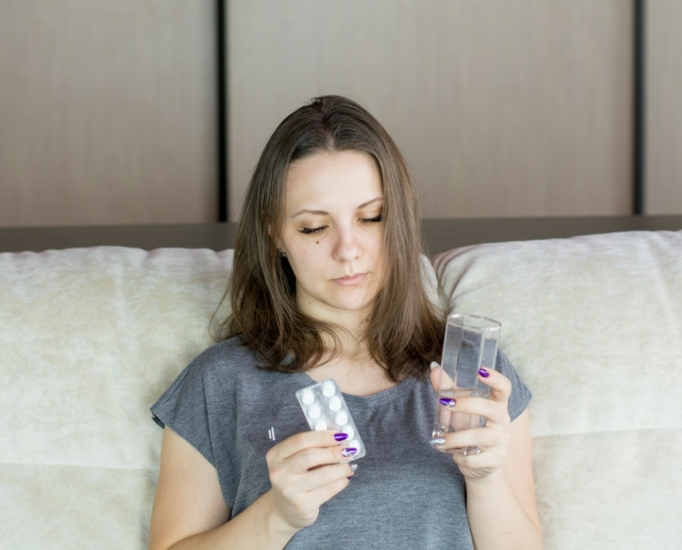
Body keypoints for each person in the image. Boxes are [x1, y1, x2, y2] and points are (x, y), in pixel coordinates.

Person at [148, 95, 543, 549]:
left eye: (371, 218)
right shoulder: (219, 381)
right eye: (315, 227)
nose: (348, 249)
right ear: (274, 231)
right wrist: (276, 517)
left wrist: (485, 478)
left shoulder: (474, 376)